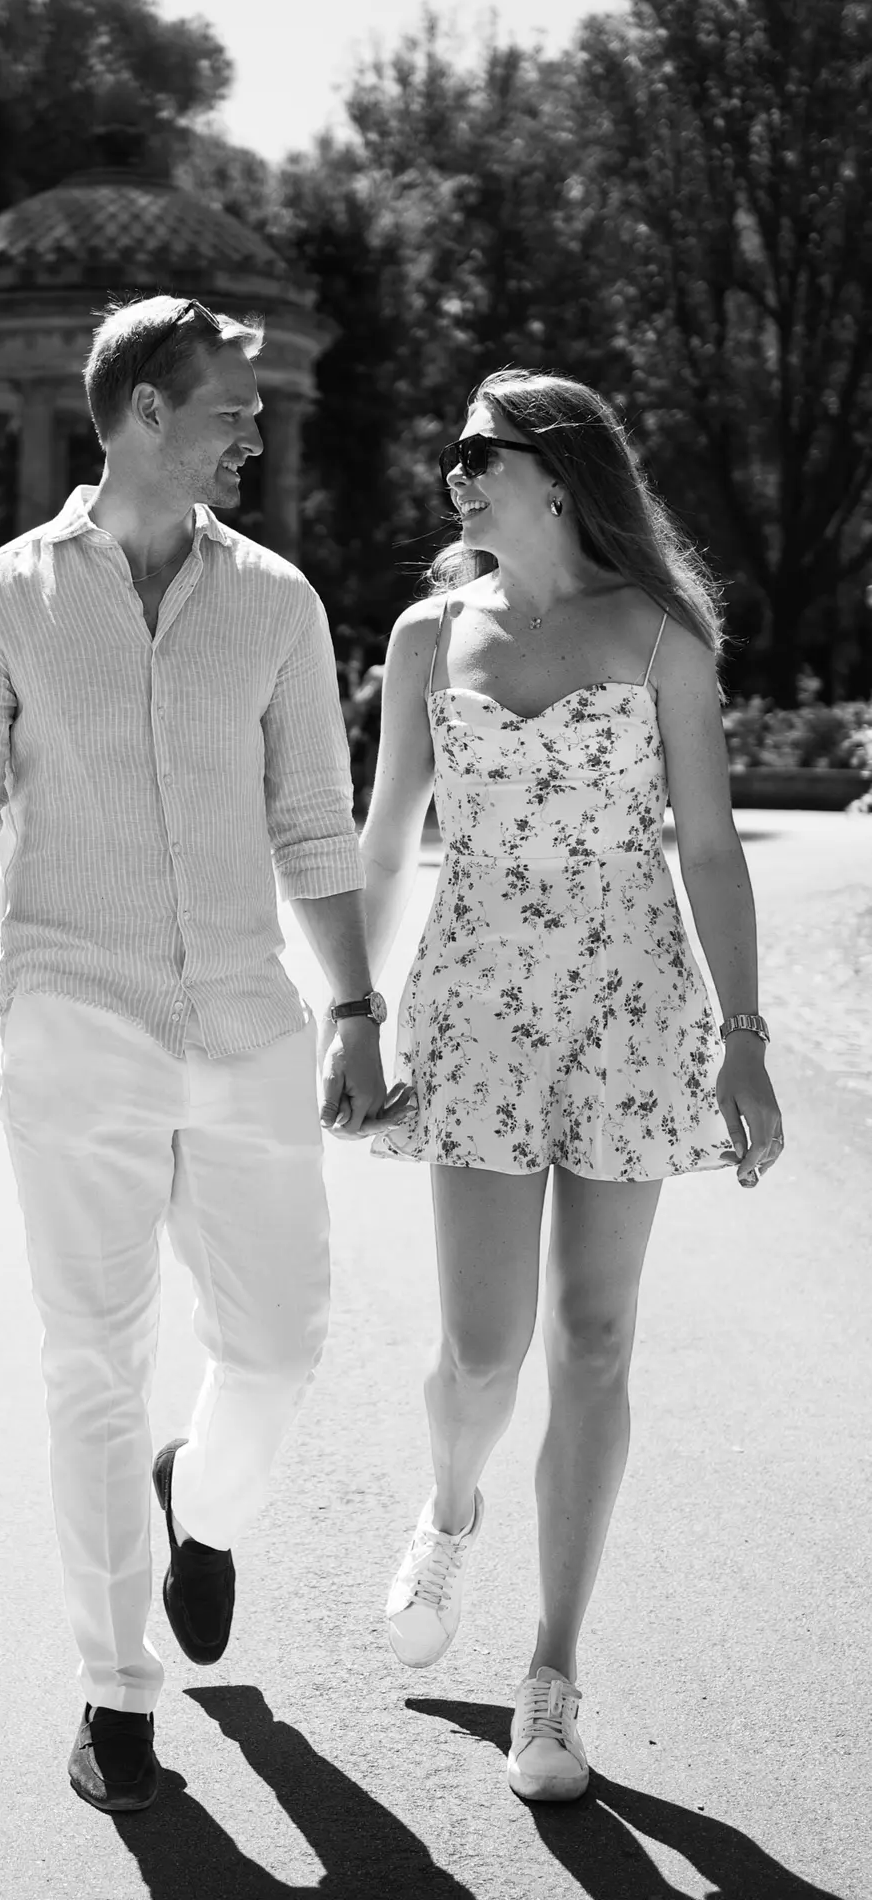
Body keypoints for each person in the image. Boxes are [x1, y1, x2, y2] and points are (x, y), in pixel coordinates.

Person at [0, 295, 406, 1815]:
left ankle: (205, 1503)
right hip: (71, 1013)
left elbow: (314, 821)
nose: (255, 426)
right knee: (93, 1367)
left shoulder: (283, 606)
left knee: (283, 1341)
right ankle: (118, 1696)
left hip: (245, 1016)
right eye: (232, 405)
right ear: (141, 417)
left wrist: (358, 1007)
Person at [359, 369, 783, 1803]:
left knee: (594, 1341)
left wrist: (748, 1040)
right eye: (452, 459)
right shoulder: (428, 638)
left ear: (557, 471)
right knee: (482, 1357)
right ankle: (451, 1506)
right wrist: (352, 1017)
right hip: (476, 1008)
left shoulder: (660, 635)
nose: (455, 478)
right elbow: (382, 842)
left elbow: (711, 850)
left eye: (479, 454)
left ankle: (552, 1676)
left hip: (633, 1006)